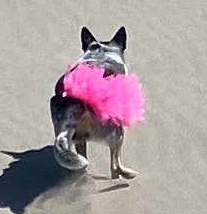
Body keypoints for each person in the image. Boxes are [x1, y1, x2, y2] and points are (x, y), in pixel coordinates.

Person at [50, 26, 143, 183]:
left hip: (69, 112)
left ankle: (80, 163)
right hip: (100, 121)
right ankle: (116, 164)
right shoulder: (118, 64)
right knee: (117, 109)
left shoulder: (84, 63)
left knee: (75, 110)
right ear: (122, 46)